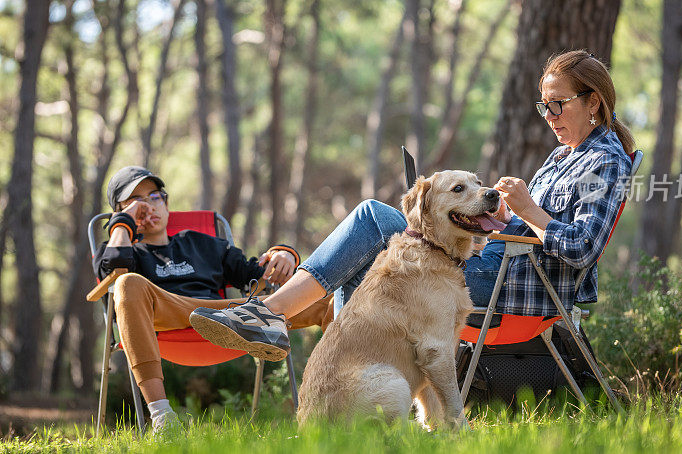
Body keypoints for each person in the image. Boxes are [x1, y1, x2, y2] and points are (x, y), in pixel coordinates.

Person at [190, 49, 635, 366]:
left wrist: (530, 211)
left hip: (515, 290)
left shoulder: (605, 161)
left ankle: (272, 315)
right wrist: (502, 217)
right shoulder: (564, 155)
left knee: (371, 218)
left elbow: (581, 249)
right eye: (545, 105)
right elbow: (530, 229)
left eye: (559, 104)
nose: (550, 115)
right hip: (492, 264)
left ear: (593, 100)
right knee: (365, 262)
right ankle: (349, 384)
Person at [93, 166, 330, 431]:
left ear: (166, 203)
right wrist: (124, 223)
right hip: (164, 313)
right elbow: (115, 270)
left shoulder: (203, 243)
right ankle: (163, 419)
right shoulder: (123, 250)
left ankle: (341, 403)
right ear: (119, 213)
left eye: (154, 196)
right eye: (136, 201)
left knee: (326, 301)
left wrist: (284, 255)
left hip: (225, 316)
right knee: (126, 282)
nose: (148, 206)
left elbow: (255, 275)